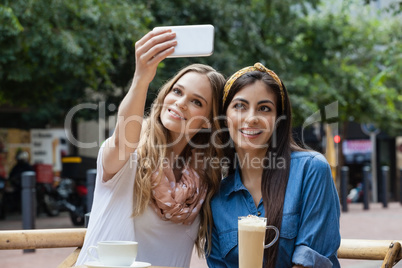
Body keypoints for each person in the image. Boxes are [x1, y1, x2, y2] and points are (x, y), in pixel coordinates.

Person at [75, 29, 225, 267]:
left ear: (209, 121)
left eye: (197, 102)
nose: (181, 103)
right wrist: (141, 78)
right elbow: (125, 139)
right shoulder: (129, 157)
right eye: (177, 91)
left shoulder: (206, 179)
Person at [206, 63, 341, 268]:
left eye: (264, 108)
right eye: (240, 106)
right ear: (225, 118)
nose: (251, 118)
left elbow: (311, 261)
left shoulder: (311, 170)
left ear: (278, 119)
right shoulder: (217, 197)